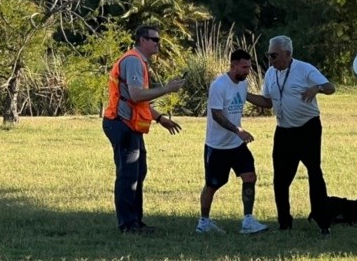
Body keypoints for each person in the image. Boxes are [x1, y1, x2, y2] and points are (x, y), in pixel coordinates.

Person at [246, 35, 336, 236]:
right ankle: (284, 223)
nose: (271, 59)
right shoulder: (271, 73)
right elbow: (267, 102)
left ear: (288, 54)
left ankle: (323, 223)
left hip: (308, 129)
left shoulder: (305, 69)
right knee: (280, 179)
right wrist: (244, 95)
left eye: (274, 55)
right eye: (269, 55)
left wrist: (317, 88)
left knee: (314, 172)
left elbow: (331, 88)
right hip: (284, 130)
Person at [102, 24, 185, 234]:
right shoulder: (133, 61)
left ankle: (135, 222)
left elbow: (137, 101)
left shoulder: (138, 61)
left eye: (158, 39)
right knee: (128, 175)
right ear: (141, 40)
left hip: (129, 125)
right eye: (154, 39)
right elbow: (136, 95)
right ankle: (127, 224)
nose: (158, 43)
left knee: (138, 173)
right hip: (121, 124)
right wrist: (167, 88)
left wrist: (159, 118)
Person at [195, 49, 268, 235]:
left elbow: (251, 98)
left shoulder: (242, 84)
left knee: (250, 176)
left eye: (249, 68)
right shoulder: (219, 85)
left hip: (237, 145)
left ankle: (248, 220)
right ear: (233, 65)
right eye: (244, 67)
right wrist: (238, 130)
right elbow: (217, 115)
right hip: (218, 146)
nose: (247, 72)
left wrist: (272, 101)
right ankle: (204, 222)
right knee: (212, 185)